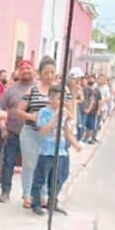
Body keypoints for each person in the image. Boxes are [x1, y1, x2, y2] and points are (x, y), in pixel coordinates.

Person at [30, 86, 83, 216]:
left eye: (63, 98)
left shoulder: (64, 113)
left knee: (58, 178)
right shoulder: (44, 112)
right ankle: (36, 203)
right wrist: (55, 118)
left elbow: (67, 131)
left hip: (61, 151)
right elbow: (42, 131)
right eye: (59, 98)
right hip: (46, 151)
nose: (62, 101)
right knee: (40, 179)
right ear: (51, 99)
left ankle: (52, 202)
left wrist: (75, 144)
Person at [15, 57, 57, 209]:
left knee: (45, 166)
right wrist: (31, 116)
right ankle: (27, 194)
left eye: (52, 72)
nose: (49, 76)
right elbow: (19, 110)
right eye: (46, 73)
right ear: (40, 73)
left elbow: (67, 109)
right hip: (31, 133)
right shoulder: (33, 89)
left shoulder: (58, 90)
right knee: (29, 164)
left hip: (49, 136)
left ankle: (43, 195)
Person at [0, 60, 35, 203]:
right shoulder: (11, 90)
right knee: (8, 164)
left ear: (33, 70)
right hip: (13, 133)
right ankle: (5, 192)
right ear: (19, 71)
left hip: (33, 135)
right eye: (23, 69)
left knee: (31, 165)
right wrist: (3, 127)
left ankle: (28, 194)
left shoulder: (40, 88)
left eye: (28, 69)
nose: (25, 71)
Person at [81, 77, 99, 144]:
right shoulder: (81, 89)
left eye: (84, 81)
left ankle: (86, 139)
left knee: (89, 126)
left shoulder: (91, 90)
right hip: (82, 110)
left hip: (90, 111)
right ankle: (83, 138)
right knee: (82, 125)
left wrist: (89, 109)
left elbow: (93, 101)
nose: (83, 82)